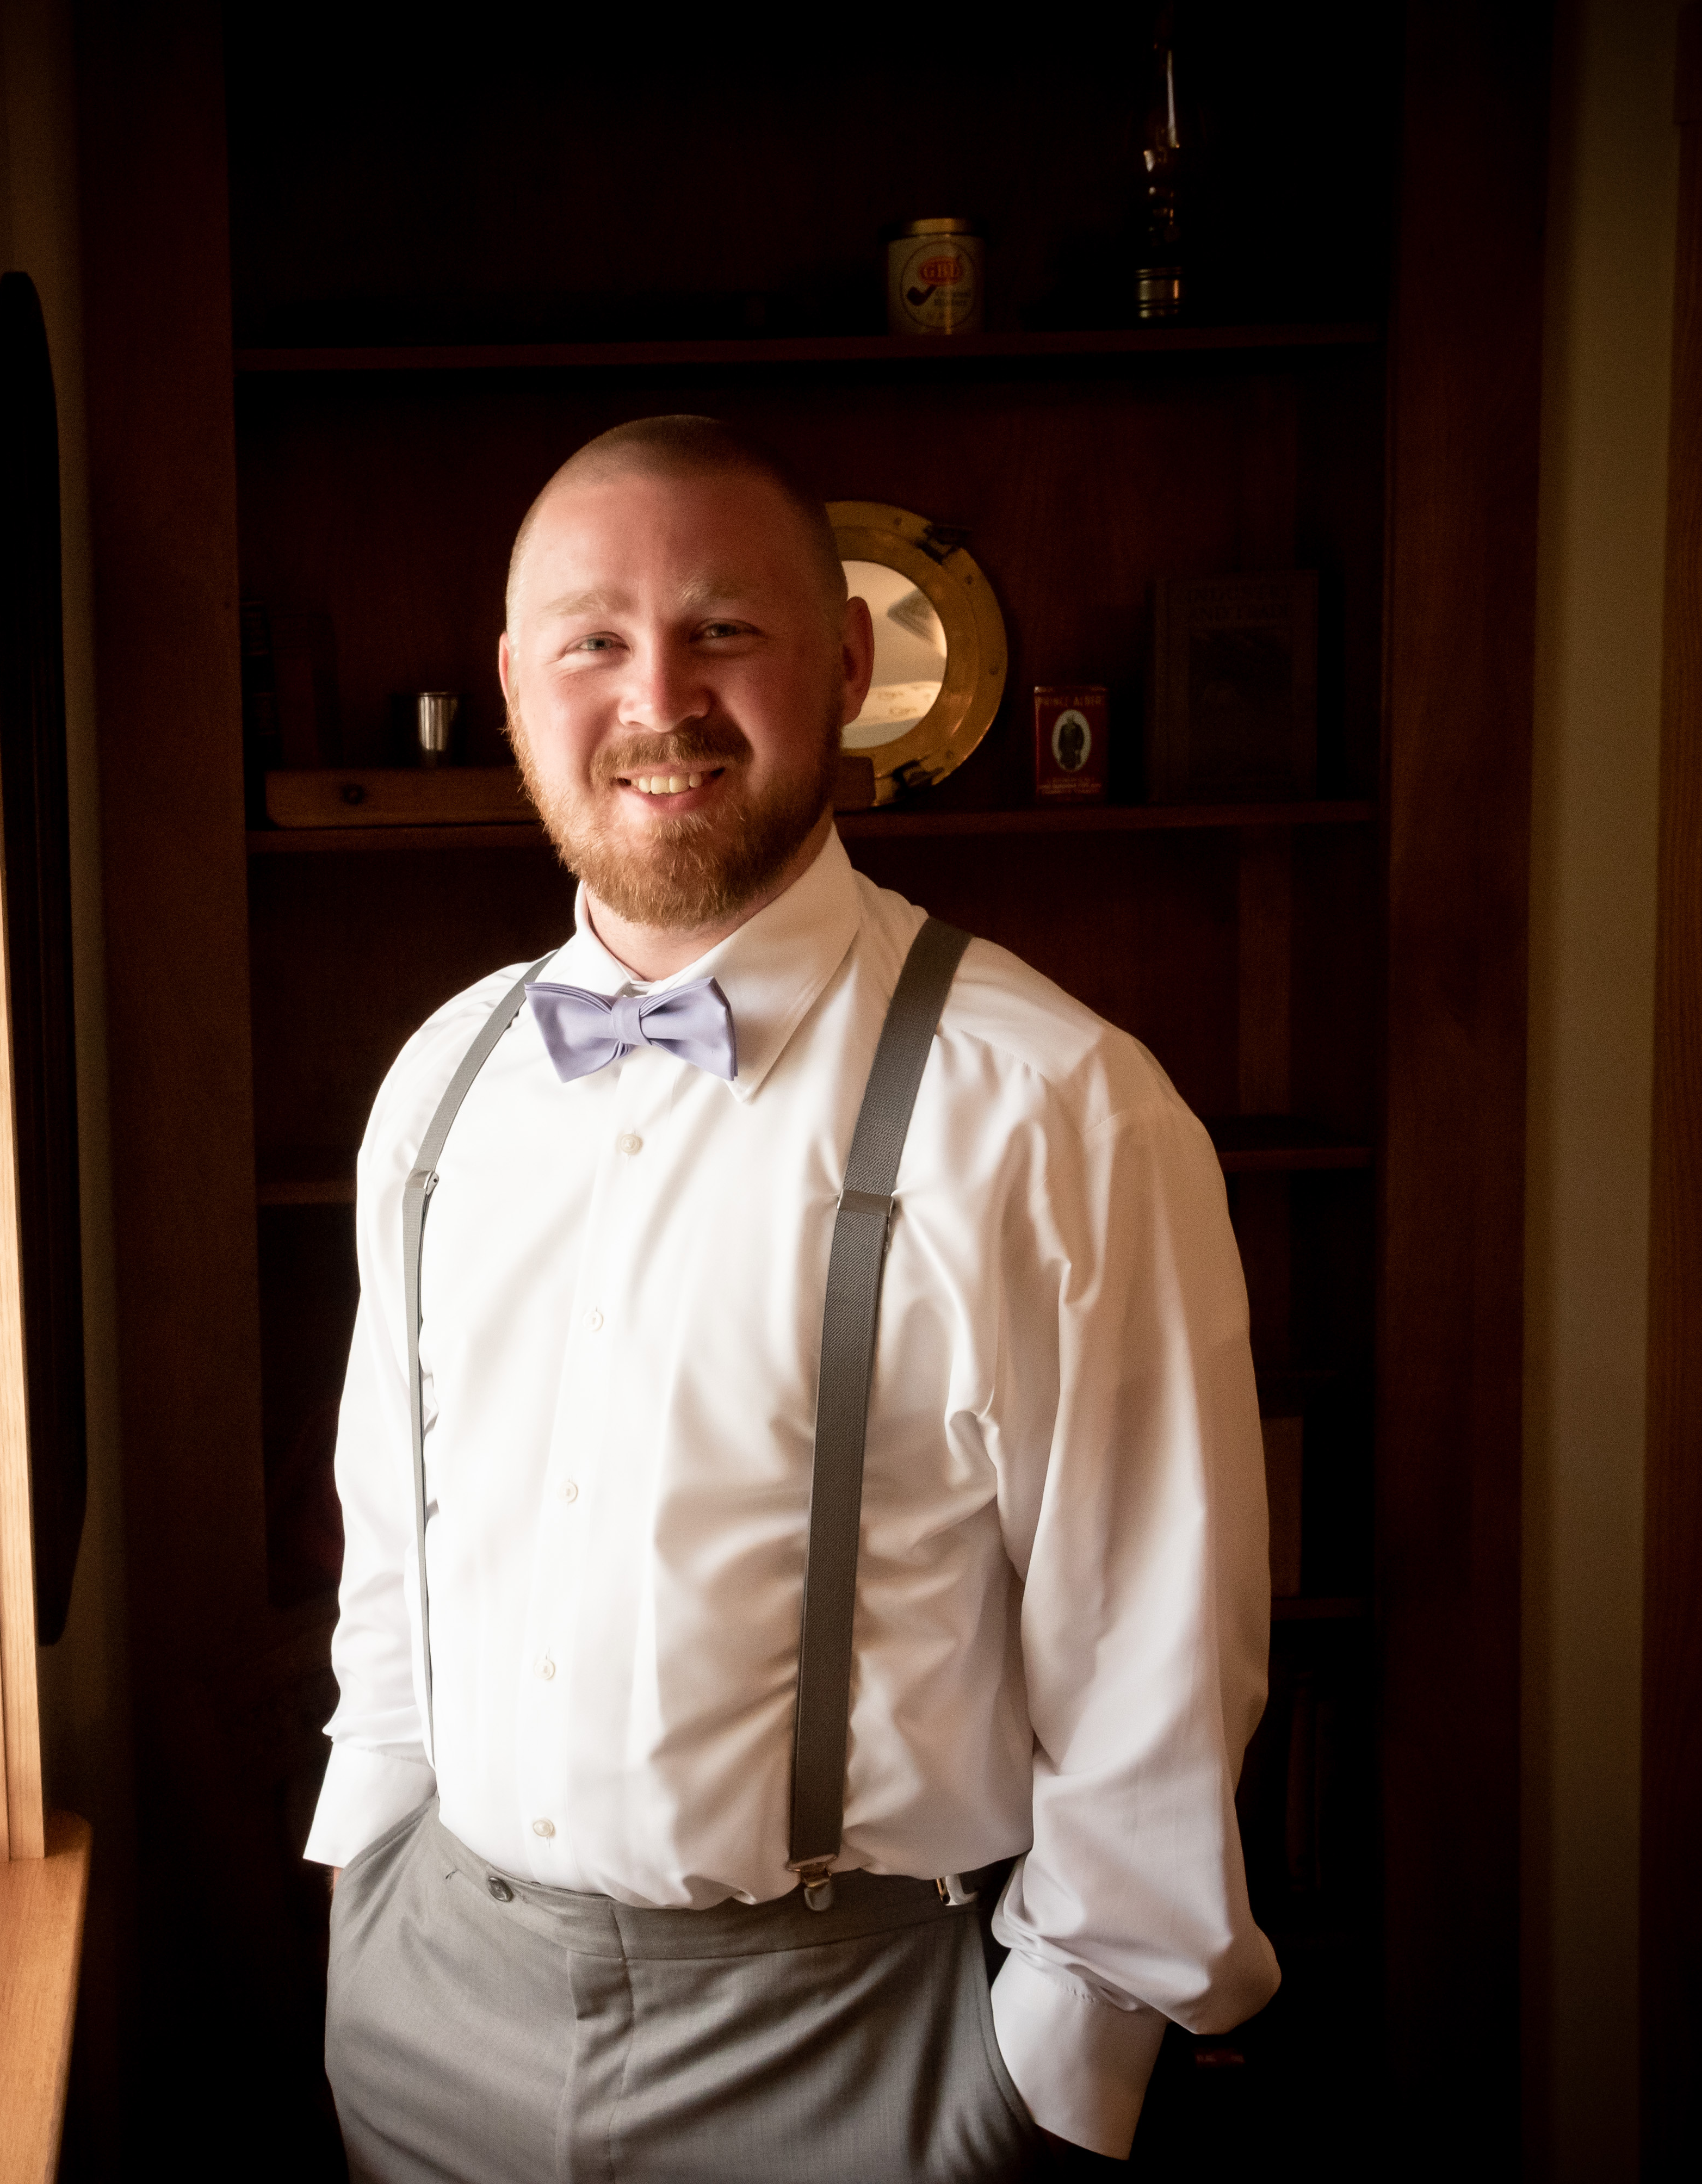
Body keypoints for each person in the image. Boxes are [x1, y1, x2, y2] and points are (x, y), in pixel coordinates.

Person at [312, 417, 1277, 2180]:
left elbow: (1159, 1669)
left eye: (724, 630)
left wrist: (1044, 2083)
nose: (657, 696)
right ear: (517, 683)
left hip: (861, 2057)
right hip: (426, 2018)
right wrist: (367, 1880)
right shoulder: (445, 1079)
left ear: (845, 662)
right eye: (595, 639)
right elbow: (396, 1551)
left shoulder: (1055, 1110)